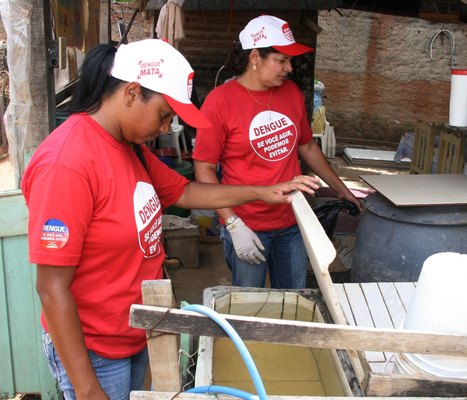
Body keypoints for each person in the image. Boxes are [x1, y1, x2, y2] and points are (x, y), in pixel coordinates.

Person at [21, 38, 319, 400]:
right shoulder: (67, 164)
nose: (166, 127)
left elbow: (186, 193)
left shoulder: (131, 149)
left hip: (134, 330)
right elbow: (51, 288)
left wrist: (264, 190)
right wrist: (86, 388)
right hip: (95, 349)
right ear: (132, 93)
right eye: (164, 114)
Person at [193, 15, 362, 290]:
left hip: (292, 220)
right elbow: (204, 169)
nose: (289, 68)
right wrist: (233, 224)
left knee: (293, 300)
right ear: (256, 57)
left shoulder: (291, 93)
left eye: (289, 61)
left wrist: (340, 188)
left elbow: (306, 146)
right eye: (281, 60)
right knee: (249, 309)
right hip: (247, 223)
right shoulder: (220, 102)